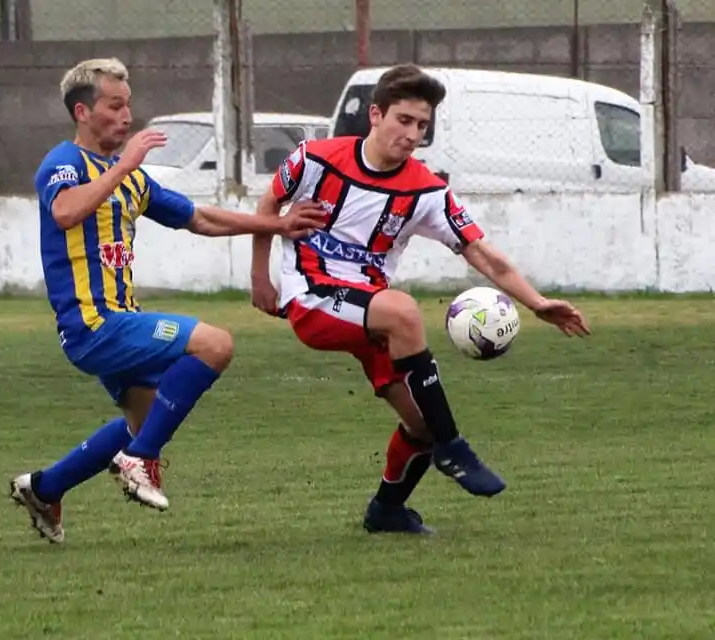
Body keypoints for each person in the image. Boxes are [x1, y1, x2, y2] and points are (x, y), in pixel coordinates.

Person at [250, 64, 590, 535]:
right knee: (404, 310)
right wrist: (260, 279)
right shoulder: (315, 160)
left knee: (419, 422)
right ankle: (455, 446)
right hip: (312, 298)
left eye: (422, 126)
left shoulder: (426, 191)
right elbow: (268, 207)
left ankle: (388, 508)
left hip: (371, 314)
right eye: (404, 120)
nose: (412, 134)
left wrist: (537, 302)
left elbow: (484, 256)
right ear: (375, 114)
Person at [10, 57, 325, 543]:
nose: (126, 116)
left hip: (117, 322)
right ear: (82, 112)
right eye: (114, 106)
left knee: (144, 420)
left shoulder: (129, 178)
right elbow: (67, 212)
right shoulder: (63, 164)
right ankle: (140, 461)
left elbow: (199, 218)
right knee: (215, 345)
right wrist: (126, 166)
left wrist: (277, 224)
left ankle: (46, 488)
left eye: (128, 105)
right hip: (94, 323)